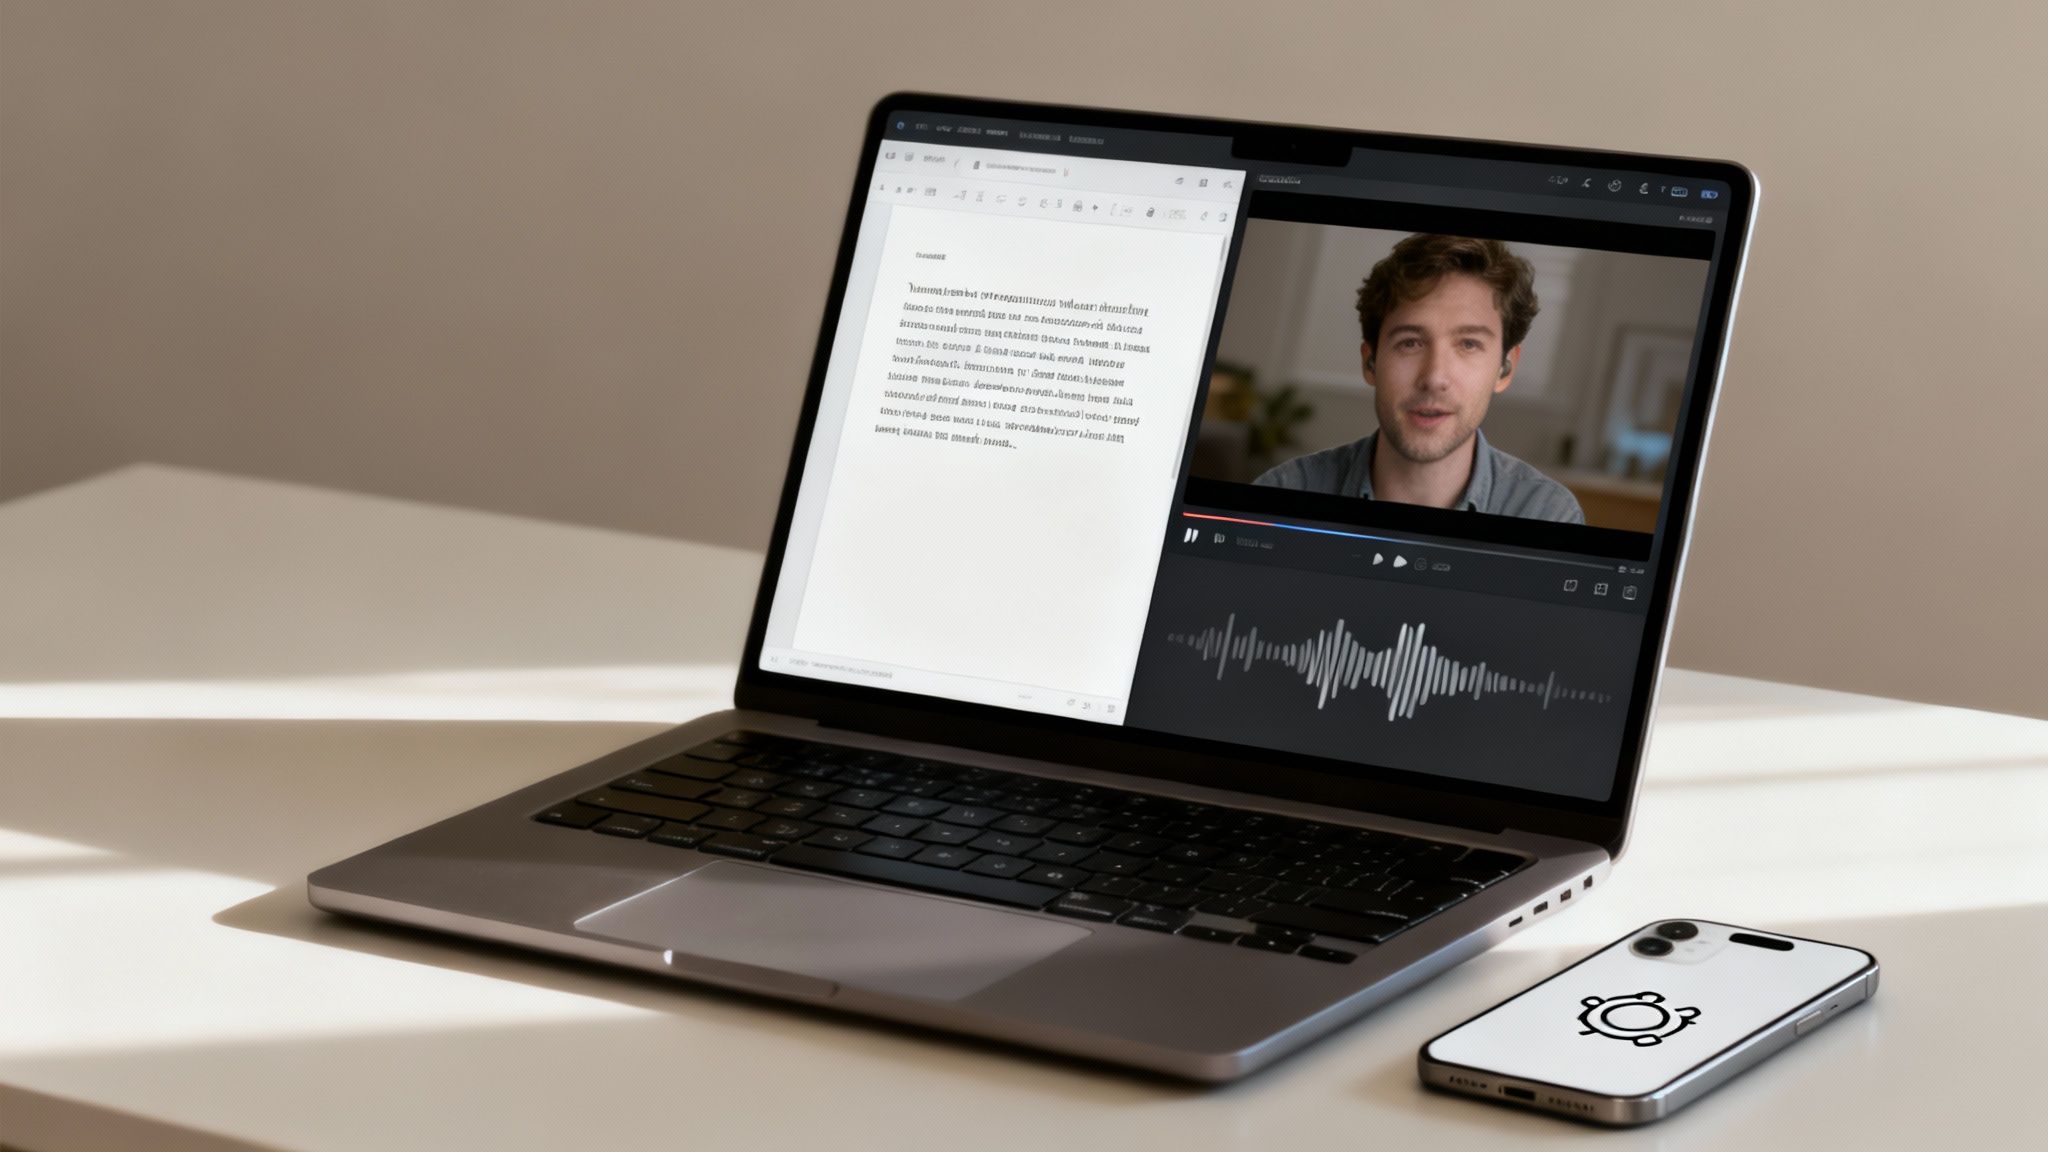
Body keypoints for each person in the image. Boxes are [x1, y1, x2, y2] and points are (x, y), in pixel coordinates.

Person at [1256, 234, 1584, 524]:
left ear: (1506, 368)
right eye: (1410, 342)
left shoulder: (1545, 513)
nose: (1434, 378)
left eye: (1469, 344)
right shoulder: (1282, 493)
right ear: (1370, 362)